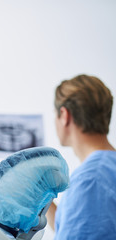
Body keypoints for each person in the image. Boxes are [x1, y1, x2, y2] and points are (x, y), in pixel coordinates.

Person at [46, 74, 116, 239]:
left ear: (64, 115)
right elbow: (75, 226)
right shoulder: (106, 167)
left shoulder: (91, 181)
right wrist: (45, 195)